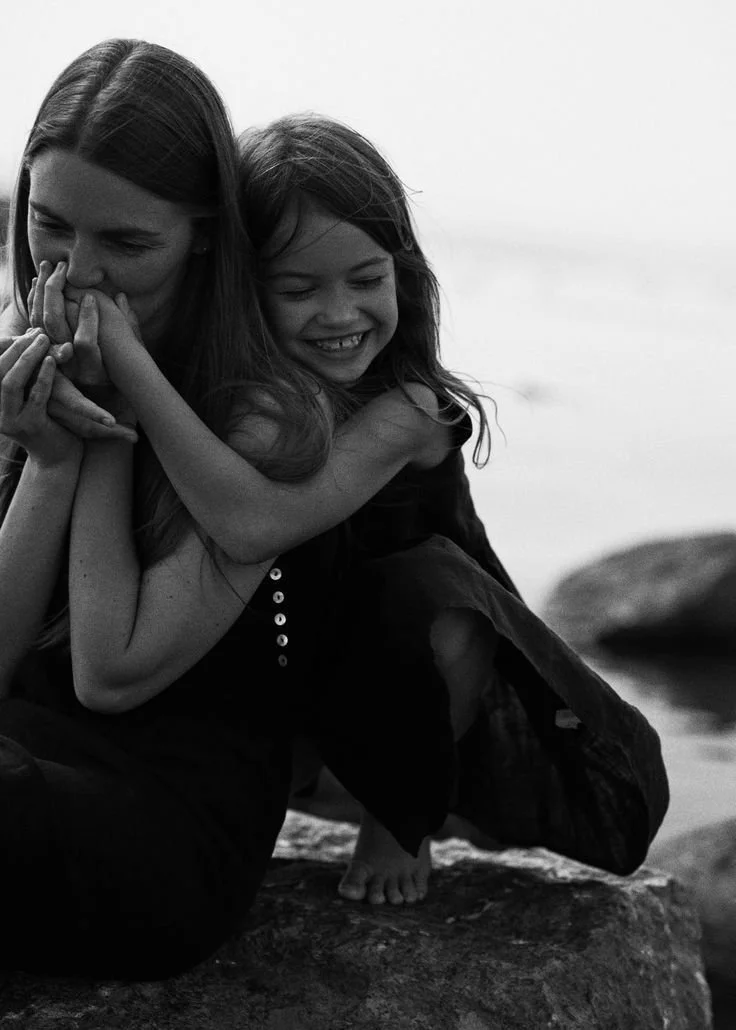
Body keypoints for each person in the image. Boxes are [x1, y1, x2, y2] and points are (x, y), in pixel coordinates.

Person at [59, 111, 670, 908]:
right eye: (298, 289)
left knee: (435, 604)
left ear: (402, 274)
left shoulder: (410, 410)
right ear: (243, 289)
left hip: (421, 670)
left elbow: (251, 523)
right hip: (303, 651)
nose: (341, 314)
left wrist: (130, 368)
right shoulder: (249, 394)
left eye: (366, 279)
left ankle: (399, 823)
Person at [0, 40, 338, 978]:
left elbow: (110, 678)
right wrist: (50, 459)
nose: (78, 271)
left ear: (203, 235)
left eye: (126, 244)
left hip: (162, 832)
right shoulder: (25, 351)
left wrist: (114, 420)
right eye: (50, 226)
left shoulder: (263, 414)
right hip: (26, 760)